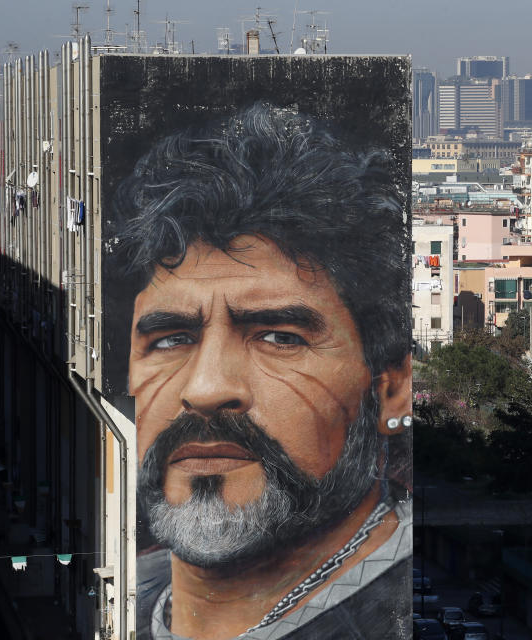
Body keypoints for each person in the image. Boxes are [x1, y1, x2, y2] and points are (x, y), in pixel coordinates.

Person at [112, 103, 413, 640]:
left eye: (279, 338)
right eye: (172, 338)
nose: (204, 390)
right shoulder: (123, 594)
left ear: (391, 389)